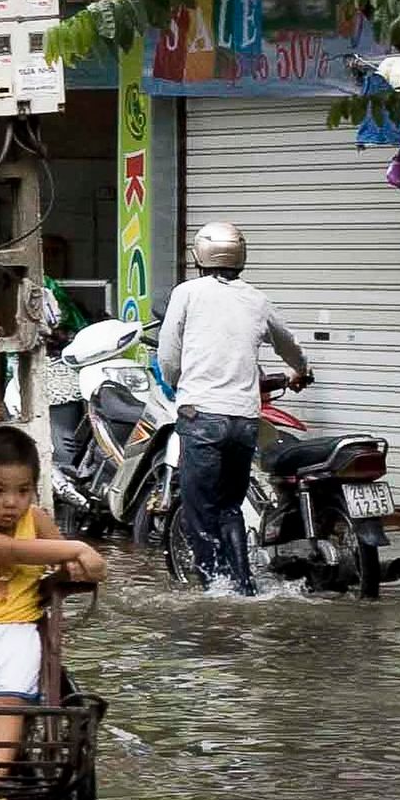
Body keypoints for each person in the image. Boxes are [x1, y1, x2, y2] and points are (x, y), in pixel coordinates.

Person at [0, 426, 106, 779]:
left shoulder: (37, 519)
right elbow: (11, 552)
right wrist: (78, 549)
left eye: (23, 491)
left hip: (21, 631)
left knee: (9, 703)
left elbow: (69, 566)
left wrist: (71, 570)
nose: (11, 502)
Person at [159, 221, 310, 595]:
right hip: (243, 421)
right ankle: (243, 586)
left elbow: (168, 355)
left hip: (201, 417)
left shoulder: (187, 293)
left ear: (200, 256)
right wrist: (301, 370)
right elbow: (287, 343)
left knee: (200, 511)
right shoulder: (256, 299)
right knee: (230, 507)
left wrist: (179, 384)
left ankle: (215, 587)